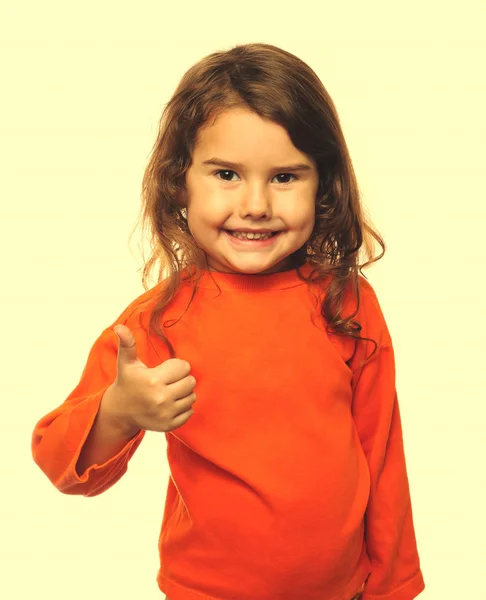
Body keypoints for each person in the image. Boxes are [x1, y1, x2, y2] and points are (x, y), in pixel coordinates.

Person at [31, 42, 425, 600]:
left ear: (325, 184)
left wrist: (394, 587)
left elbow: (383, 455)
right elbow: (58, 461)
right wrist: (118, 412)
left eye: (286, 177)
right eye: (226, 174)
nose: (257, 204)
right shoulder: (158, 322)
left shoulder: (348, 304)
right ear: (179, 182)